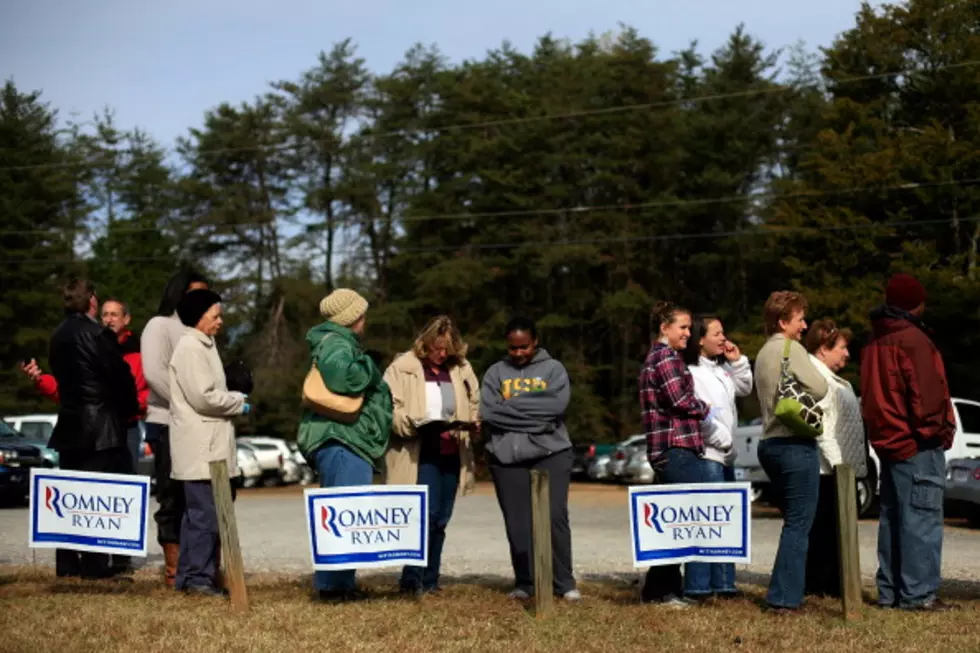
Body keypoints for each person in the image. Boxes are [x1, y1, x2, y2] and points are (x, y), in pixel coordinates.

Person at [861, 274, 957, 612]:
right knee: (922, 519)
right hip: (917, 444)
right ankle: (918, 595)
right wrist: (938, 430)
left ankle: (890, 592)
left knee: (892, 519)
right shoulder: (913, 339)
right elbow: (927, 395)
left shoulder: (875, 339)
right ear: (915, 302)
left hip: (889, 441)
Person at [296, 289, 393, 602]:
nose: (365, 319)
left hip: (345, 439)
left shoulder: (338, 342)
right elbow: (344, 380)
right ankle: (333, 587)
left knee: (344, 512)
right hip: (342, 439)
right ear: (353, 317)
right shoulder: (338, 343)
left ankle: (340, 583)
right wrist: (368, 364)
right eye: (361, 313)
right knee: (342, 514)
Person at [481, 317, 580, 602]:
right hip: (506, 456)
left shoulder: (554, 369)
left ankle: (564, 583)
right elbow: (489, 412)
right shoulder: (495, 372)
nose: (519, 353)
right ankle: (526, 582)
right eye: (513, 348)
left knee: (554, 517)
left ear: (535, 342)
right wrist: (536, 419)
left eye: (524, 347)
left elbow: (556, 406)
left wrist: (509, 408)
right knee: (518, 522)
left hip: (552, 453)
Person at [46, 279, 139, 579]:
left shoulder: (57, 335)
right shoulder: (98, 334)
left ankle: (68, 563)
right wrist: (126, 412)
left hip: (70, 422)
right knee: (97, 499)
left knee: (70, 498)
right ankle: (96, 565)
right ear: (92, 303)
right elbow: (120, 377)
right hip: (100, 424)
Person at [383, 316, 481, 596]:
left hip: (451, 451)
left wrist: (471, 423)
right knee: (422, 518)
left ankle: (431, 579)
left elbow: (474, 400)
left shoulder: (461, 368)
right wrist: (412, 424)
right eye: (436, 348)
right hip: (418, 454)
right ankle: (411, 579)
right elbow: (389, 408)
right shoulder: (402, 368)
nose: (441, 354)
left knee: (441, 518)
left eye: (446, 350)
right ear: (425, 344)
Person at [168, 289, 250, 597]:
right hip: (201, 448)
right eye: (215, 315)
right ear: (199, 316)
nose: (220, 321)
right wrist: (238, 401)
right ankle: (199, 579)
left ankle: (190, 577)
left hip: (208, 445)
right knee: (206, 518)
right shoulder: (191, 347)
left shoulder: (204, 345)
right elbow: (203, 397)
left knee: (197, 517)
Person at [754, 291, 828, 613]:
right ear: (783, 321)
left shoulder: (761, 353)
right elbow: (820, 386)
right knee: (799, 524)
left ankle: (785, 591)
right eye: (799, 319)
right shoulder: (791, 349)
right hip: (794, 443)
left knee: (792, 522)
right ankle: (783, 598)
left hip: (768, 443)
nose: (804, 325)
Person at [22, 297, 149, 472]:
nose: (109, 319)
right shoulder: (90, 345)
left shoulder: (139, 354)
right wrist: (40, 379)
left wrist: (135, 405)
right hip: (99, 429)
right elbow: (69, 388)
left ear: (126, 319)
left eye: (114, 315)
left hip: (127, 427)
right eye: (105, 314)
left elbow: (150, 390)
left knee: (125, 483)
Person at [638, 302, 710, 608]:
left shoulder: (659, 358)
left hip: (670, 450)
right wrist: (705, 408)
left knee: (673, 524)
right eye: (682, 327)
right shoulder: (666, 358)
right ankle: (662, 592)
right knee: (679, 526)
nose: (688, 333)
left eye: (689, 327)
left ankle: (661, 590)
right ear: (664, 328)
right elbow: (679, 399)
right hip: (676, 448)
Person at [141, 269, 209, 587]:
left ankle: (200, 567)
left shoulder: (203, 331)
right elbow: (154, 372)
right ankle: (173, 570)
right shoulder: (160, 325)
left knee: (198, 497)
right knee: (172, 496)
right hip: (167, 421)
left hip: (198, 425)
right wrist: (189, 402)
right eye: (194, 293)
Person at [682, 315, 753, 601]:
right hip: (708, 454)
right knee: (706, 521)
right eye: (718, 334)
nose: (724, 338)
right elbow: (700, 415)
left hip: (726, 455)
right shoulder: (691, 372)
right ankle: (699, 586)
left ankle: (724, 583)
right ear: (700, 339)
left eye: (724, 333)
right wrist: (722, 439)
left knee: (726, 521)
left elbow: (744, 389)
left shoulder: (721, 370)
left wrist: (737, 362)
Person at [803, 319, 867, 598]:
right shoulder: (817, 380)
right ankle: (819, 586)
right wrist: (838, 464)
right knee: (824, 532)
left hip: (840, 469)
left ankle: (832, 585)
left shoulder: (831, 378)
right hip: (828, 470)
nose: (847, 354)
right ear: (822, 349)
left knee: (834, 533)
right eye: (841, 348)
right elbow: (821, 429)